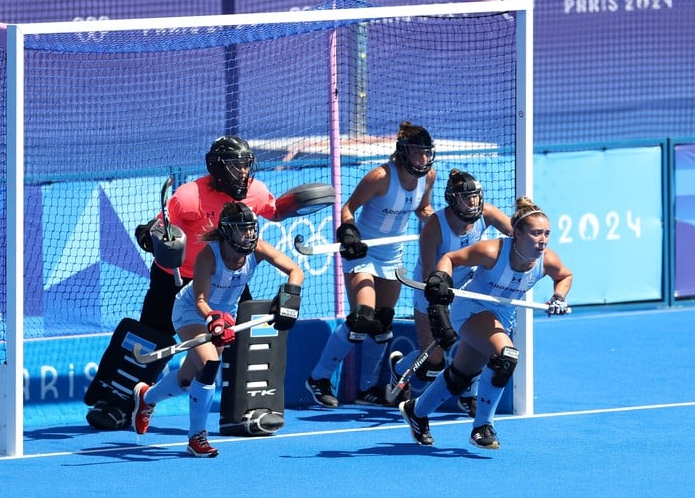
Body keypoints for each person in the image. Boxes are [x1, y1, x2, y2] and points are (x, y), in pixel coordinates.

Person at [84, 135, 277, 430]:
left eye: (246, 164)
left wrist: (299, 202)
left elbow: (275, 211)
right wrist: (151, 236)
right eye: (237, 165)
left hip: (227, 277)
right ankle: (118, 402)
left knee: (239, 338)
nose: (244, 172)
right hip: (175, 277)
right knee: (150, 336)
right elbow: (159, 228)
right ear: (219, 167)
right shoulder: (189, 197)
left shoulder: (257, 192)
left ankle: (245, 407)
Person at [130, 202, 304, 457]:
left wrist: (289, 300)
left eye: (251, 229)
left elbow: (295, 271)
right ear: (227, 231)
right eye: (242, 230)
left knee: (189, 377)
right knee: (210, 363)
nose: (249, 235)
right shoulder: (209, 256)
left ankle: (146, 397)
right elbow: (200, 299)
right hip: (192, 311)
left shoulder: (257, 249)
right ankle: (197, 438)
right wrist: (213, 319)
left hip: (226, 314)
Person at [400, 196, 573, 449]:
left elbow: (565, 275)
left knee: (461, 375)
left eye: (547, 233)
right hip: (471, 308)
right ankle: (482, 426)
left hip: (500, 315)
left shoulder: (547, 260)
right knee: (507, 357)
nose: (543, 240)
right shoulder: (493, 251)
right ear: (518, 234)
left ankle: (417, 410)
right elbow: (450, 258)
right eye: (536, 233)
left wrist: (558, 296)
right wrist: (440, 279)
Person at [306, 121, 437, 407]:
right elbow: (348, 208)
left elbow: (423, 209)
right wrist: (350, 232)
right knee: (362, 317)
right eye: (419, 153)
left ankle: (367, 390)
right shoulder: (379, 177)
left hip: (392, 255)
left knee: (382, 322)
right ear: (403, 152)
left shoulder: (429, 177)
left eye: (428, 153)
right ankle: (319, 377)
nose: (425, 159)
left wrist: (441, 224)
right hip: (363, 252)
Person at [388, 169, 512, 416]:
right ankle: (399, 368)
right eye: (467, 197)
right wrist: (440, 310)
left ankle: (470, 396)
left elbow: (516, 236)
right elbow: (427, 274)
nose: (473, 202)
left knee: (477, 344)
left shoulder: (486, 214)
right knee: (433, 363)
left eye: (476, 196)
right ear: (453, 200)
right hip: (432, 290)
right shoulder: (435, 226)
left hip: (468, 289)